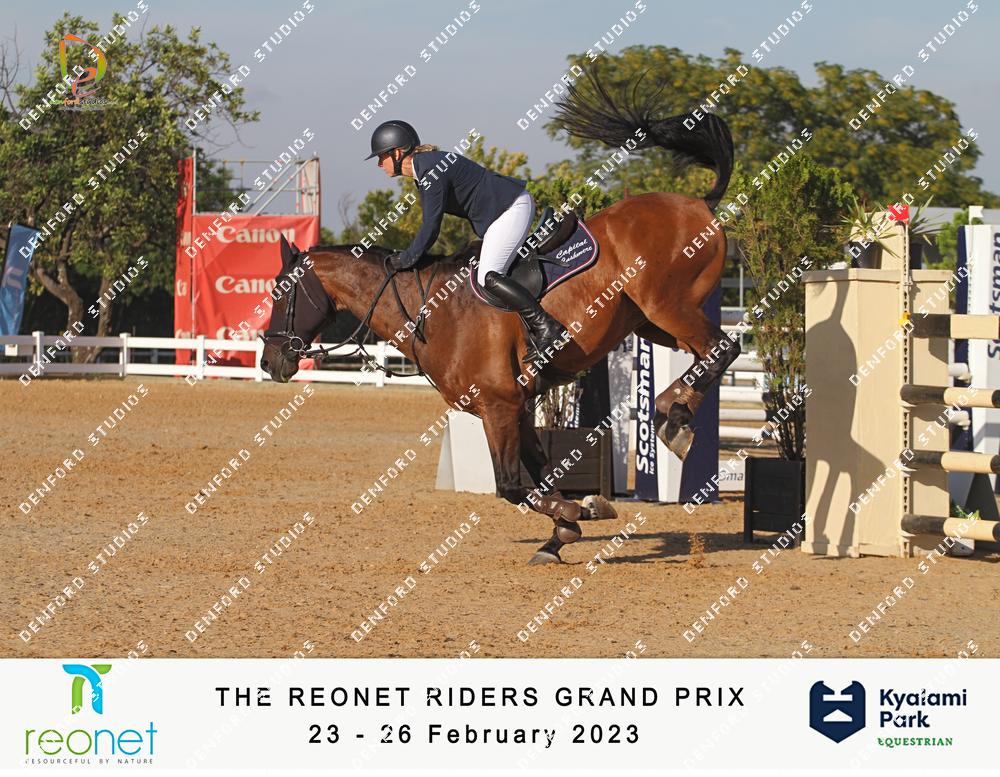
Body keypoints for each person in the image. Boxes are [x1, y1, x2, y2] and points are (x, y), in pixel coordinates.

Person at [364, 119, 567, 364]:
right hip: (503, 212)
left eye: (381, 156)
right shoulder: (425, 169)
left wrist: (405, 259)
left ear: (397, 153)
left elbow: (431, 227)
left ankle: (547, 327)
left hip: (510, 208)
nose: (379, 164)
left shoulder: (429, 169)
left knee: (488, 276)